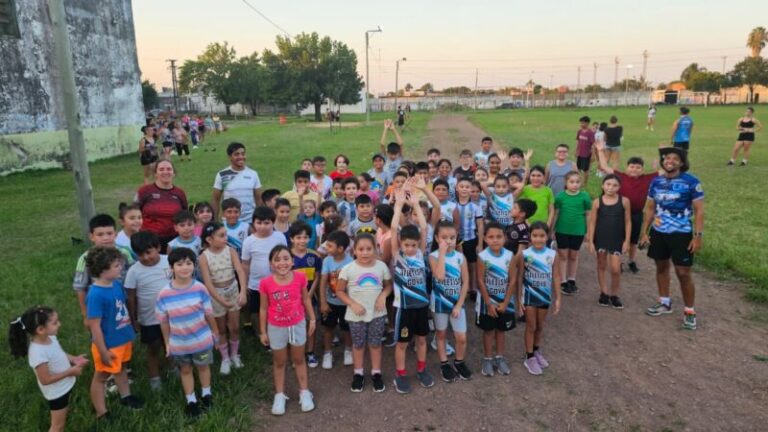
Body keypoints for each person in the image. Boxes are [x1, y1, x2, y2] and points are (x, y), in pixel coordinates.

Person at [640, 147, 704, 330]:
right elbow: (650, 207)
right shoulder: (656, 182)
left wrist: (698, 236)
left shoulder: (691, 182)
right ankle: (664, 302)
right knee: (661, 266)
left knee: (683, 273)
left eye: (675, 158)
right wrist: (645, 231)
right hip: (659, 232)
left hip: (682, 233)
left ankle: (689, 311)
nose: (670, 161)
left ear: (682, 163)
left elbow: (699, 211)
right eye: (667, 158)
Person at [155, 247, 219, 417]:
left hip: (202, 340)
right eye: (180, 264)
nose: (185, 267)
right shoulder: (163, 294)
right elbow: (163, 322)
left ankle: (206, 394)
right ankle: (191, 400)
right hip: (179, 343)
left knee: (203, 367)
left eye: (189, 263)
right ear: (171, 268)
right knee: (185, 370)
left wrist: (215, 333)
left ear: (194, 266)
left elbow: (209, 313)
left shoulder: (200, 288)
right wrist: (167, 342)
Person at [85, 247, 144, 419]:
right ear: (103, 270)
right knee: (101, 377)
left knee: (122, 369)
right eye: (117, 265)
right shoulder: (95, 294)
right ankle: (101, 412)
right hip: (108, 345)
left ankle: (126, 396)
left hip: (123, 339)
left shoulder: (116, 284)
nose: (121, 268)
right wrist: (103, 351)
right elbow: (94, 325)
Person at [9, 306, 89, 432]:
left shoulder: (50, 338)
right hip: (57, 393)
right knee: (58, 426)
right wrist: (70, 372)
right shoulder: (37, 353)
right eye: (55, 323)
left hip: (64, 387)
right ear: (41, 329)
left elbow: (59, 354)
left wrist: (73, 359)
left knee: (63, 414)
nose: (59, 324)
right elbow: (45, 380)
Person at [259, 245, 317, 415]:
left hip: (297, 324)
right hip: (276, 327)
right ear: (271, 264)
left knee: (299, 359)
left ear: (292, 262)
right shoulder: (266, 283)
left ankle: (305, 392)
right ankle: (279, 395)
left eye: (286, 258)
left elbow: (306, 299)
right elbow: (263, 308)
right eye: (277, 259)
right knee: (279, 362)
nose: (282, 263)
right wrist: (263, 331)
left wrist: (312, 318)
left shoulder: (300, 277)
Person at [334, 234, 393, 393]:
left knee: (375, 344)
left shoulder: (381, 267)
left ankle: (376, 373)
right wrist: (352, 303)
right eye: (361, 249)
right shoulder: (348, 269)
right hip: (356, 315)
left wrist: (382, 295)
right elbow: (339, 290)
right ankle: (358, 373)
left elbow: (388, 286)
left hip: (377, 314)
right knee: (358, 344)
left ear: (375, 249)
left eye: (369, 249)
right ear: (354, 250)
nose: (365, 252)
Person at [390, 187, 434, 394]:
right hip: (404, 308)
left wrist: (416, 203)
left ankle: (422, 369)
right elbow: (392, 229)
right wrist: (398, 206)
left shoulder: (419, 255)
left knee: (422, 339)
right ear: (401, 243)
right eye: (407, 244)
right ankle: (400, 374)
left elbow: (424, 229)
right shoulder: (397, 255)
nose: (410, 248)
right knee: (402, 343)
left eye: (413, 245)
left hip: (421, 306)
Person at [595, 140, 658, 273]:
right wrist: (600, 150)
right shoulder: (620, 176)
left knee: (633, 240)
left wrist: (662, 156)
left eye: (638, 167)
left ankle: (631, 260)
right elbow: (605, 166)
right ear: (627, 167)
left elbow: (663, 172)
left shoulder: (646, 179)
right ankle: (620, 261)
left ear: (642, 169)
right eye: (632, 167)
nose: (634, 169)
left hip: (636, 214)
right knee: (620, 238)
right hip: (620, 213)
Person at [198, 222, 248, 375]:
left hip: (232, 291)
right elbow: (207, 282)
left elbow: (240, 271)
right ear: (209, 239)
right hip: (216, 295)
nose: (225, 237)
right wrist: (220, 300)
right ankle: (225, 358)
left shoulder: (230, 251)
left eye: (225, 234)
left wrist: (243, 292)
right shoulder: (204, 257)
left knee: (234, 327)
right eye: (221, 235)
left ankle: (234, 355)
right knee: (220, 329)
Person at [124, 231, 171, 390]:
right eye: (140, 254)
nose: (145, 258)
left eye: (148, 252)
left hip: (171, 315)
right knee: (153, 347)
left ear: (158, 247)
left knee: (170, 344)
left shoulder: (169, 262)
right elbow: (131, 297)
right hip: (149, 318)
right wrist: (133, 318)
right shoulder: (134, 271)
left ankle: (173, 367)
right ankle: (154, 378)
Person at [73, 214, 135, 328]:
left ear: (116, 234)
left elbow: (133, 275)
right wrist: (85, 315)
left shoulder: (125, 253)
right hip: (100, 304)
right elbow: (80, 288)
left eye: (109, 233)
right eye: (100, 234)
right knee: (102, 330)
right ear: (92, 236)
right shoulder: (85, 259)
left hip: (123, 301)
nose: (105, 238)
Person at [429, 221, 472, 382]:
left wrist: (460, 304)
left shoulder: (461, 258)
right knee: (441, 334)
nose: (449, 241)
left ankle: (459, 362)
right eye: (444, 238)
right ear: (436, 238)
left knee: (461, 337)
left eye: (452, 238)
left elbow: (465, 282)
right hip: (440, 303)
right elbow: (439, 276)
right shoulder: (433, 257)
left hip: (456, 304)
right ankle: (444, 364)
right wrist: (441, 252)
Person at [517, 222, 561, 376]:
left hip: (544, 296)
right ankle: (529, 357)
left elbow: (556, 276)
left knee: (540, 326)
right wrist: (518, 300)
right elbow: (520, 277)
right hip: (529, 296)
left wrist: (558, 298)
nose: (538, 239)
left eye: (542, 236)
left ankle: (536, 350)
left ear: (547, 236)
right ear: (530, 236)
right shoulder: (525, 254)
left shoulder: (552, 254)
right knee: (531, 326)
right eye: (535, 236)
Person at [476, 222, 517, 377]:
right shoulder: (482, 257)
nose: (495, 240)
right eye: (491, 237)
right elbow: (480, 281)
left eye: (499, 236)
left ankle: (499, 358)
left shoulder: (509, 256)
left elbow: (512, 280)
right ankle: (487, 359)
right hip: (488, 304)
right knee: (488, 331)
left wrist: (506, 302)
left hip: (505, 302)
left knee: (501, 331)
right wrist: (488, 303)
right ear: (485, 239)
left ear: (505, 238)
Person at [241, 207, 288, 342]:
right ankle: (261, 334)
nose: (262, 226)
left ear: (273, 223)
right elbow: (245, 264)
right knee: (256, 310)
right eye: (259, 223)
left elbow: (285, 257)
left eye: (267, 223)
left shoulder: (279, 237)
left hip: (277, 282)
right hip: (256, 284)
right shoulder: (249, 241)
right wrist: (245, 285)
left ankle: (279, 334)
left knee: (277, 308)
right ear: (253, 223)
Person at [586, 175, 631, 309]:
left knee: (616, 269)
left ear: (619, 187)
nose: (610, 188)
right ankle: (604, 293)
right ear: (602, 185)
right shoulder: (597, 202)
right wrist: (590, 241)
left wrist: (627, 241)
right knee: (601, 265)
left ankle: (614, 294)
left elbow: (628, 222)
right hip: (601, 238)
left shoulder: (624, 201)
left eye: (614, 185)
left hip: (616, 239)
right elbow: (592, 222)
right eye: (608, 184)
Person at [551, 171, 592, 295]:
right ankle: (563, 281)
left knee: (574, 255)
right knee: (563, 255)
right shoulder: (560, 197)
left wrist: (588, 231)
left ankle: (571, 279)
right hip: (562, 230)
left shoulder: (585, 196)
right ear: (566, 182)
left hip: (578, 230)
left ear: (581, 183)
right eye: (572, 182)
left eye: (577, 182)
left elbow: (588, 214)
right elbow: (556, 213)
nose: (575, 185)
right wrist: (552, 230)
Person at [288, 222, 323, 368]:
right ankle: (297, 355)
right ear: (291, 239)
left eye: (305, 237)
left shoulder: (314, 256)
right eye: (298, 237)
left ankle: (310, 352)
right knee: (294, 326)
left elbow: (317, 277)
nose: (302, 240)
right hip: (292, 298)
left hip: (310, 297)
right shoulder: (287, 256)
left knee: (311, 323)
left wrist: (308, 294)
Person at [318, 231, 354, 370]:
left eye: (330, 246)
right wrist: (323, 302)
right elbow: (323, 282)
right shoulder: (327, 261)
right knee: (328, 328)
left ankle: (348, 350)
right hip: (330, 302)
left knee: (347, 328)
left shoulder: (351, 262)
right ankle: (328, 353)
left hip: (346, 303)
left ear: (340, 249)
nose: (326, 248)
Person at [135, 159, 188, 251]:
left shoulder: (180, 193)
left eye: (169, 169)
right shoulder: (144, 191)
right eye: (161, 169)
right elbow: (133, 214)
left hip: (174, 241)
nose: (165, 172)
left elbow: (186, 217)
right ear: (155, 173)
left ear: (174, 173)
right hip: (149, 242)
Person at [212, 142, 263, 224]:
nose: (241, 157)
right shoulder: (222, 175)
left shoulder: (253, 174)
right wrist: (214, 221)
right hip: (229, 222)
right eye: (236, 154)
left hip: (249, 221)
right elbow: (215, 199)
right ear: (230, 157)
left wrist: (260, 219)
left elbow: (259, 199)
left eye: (243, 154)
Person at [455, 177, 485, 298]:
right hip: (456, 242)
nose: (464, 189)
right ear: (457, 188)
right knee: (460, 266)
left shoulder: (475, 207)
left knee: (472, 265)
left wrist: (480, 244)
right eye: (462, 186)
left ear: (470, 189)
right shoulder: (453, 206)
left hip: (471, 240)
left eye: (467, 187)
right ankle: (462, 288)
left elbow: (480, 225)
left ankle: (473, 288)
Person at [575, 116, 595, 186]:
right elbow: (578, 141)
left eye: (583, 123)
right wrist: (576, 151)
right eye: (580, 123)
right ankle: (579, 181)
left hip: (587, 155)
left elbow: (593, 145)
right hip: (580, 154)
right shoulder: (579, 131)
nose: (581, 124)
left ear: (587, 123)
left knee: (586, 170)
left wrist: (593, 155)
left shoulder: (590, 133)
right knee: (578, 169)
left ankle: (585, 183)